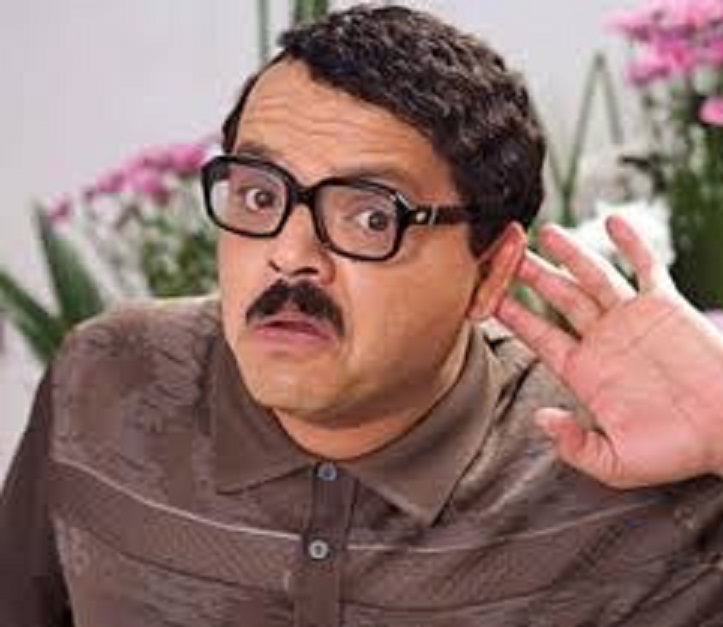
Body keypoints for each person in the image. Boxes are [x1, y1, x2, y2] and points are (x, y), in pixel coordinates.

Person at [2, 5, 723, 626]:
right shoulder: (106, 378)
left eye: (371, 216)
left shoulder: (627, 456)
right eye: (259, 196)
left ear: (488, 273)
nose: (290, 256)